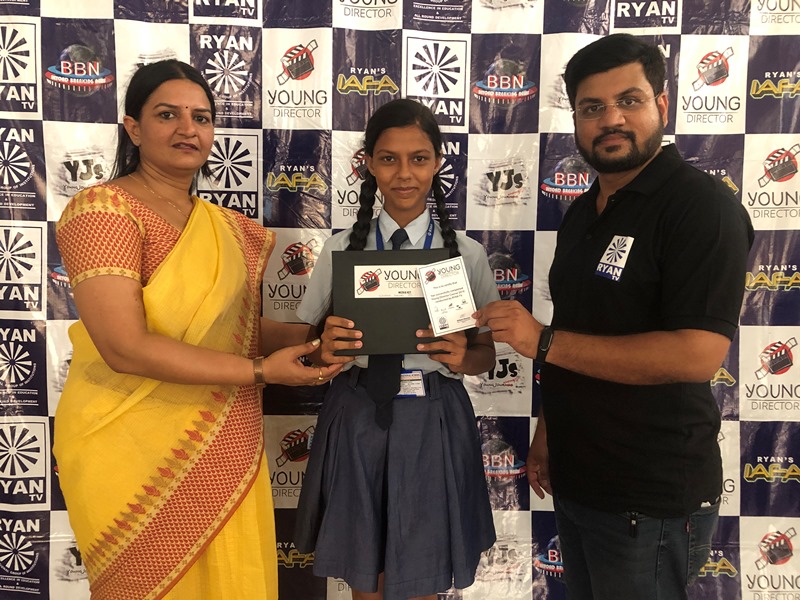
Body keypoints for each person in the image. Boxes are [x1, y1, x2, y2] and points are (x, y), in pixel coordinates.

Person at [475, 34, 754, 599]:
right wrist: (548, 432)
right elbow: (581, 326)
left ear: (662, 105)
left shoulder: (701, 207)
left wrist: (542, 341)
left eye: (629, 100)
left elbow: (697, 355)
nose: (611, 119)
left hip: (648, 497)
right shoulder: (584, 211)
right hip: (581, 481)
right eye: (592, 108)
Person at [53, 59, 341, 600]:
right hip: (126, 443)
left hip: (223, 439)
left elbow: (237, 330)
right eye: (168, 115)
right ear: (133, 127)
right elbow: (124, 347)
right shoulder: (102, 209)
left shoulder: (228, 227)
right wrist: (262, 371)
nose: (188, 129)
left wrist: (315, 340)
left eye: (201, 117)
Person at [293, 98, 499, 600]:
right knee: (364, 571)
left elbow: (486, 355)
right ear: (368, 163)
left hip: (435, 415)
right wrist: (324, 350)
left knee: (423, 573)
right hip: (357, 412)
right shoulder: (341, 249)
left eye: (419, 158)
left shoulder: (467, 254)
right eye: (388, 159)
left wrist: (463, 357)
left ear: (438, 162)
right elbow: (307, 348)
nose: (404, 173)